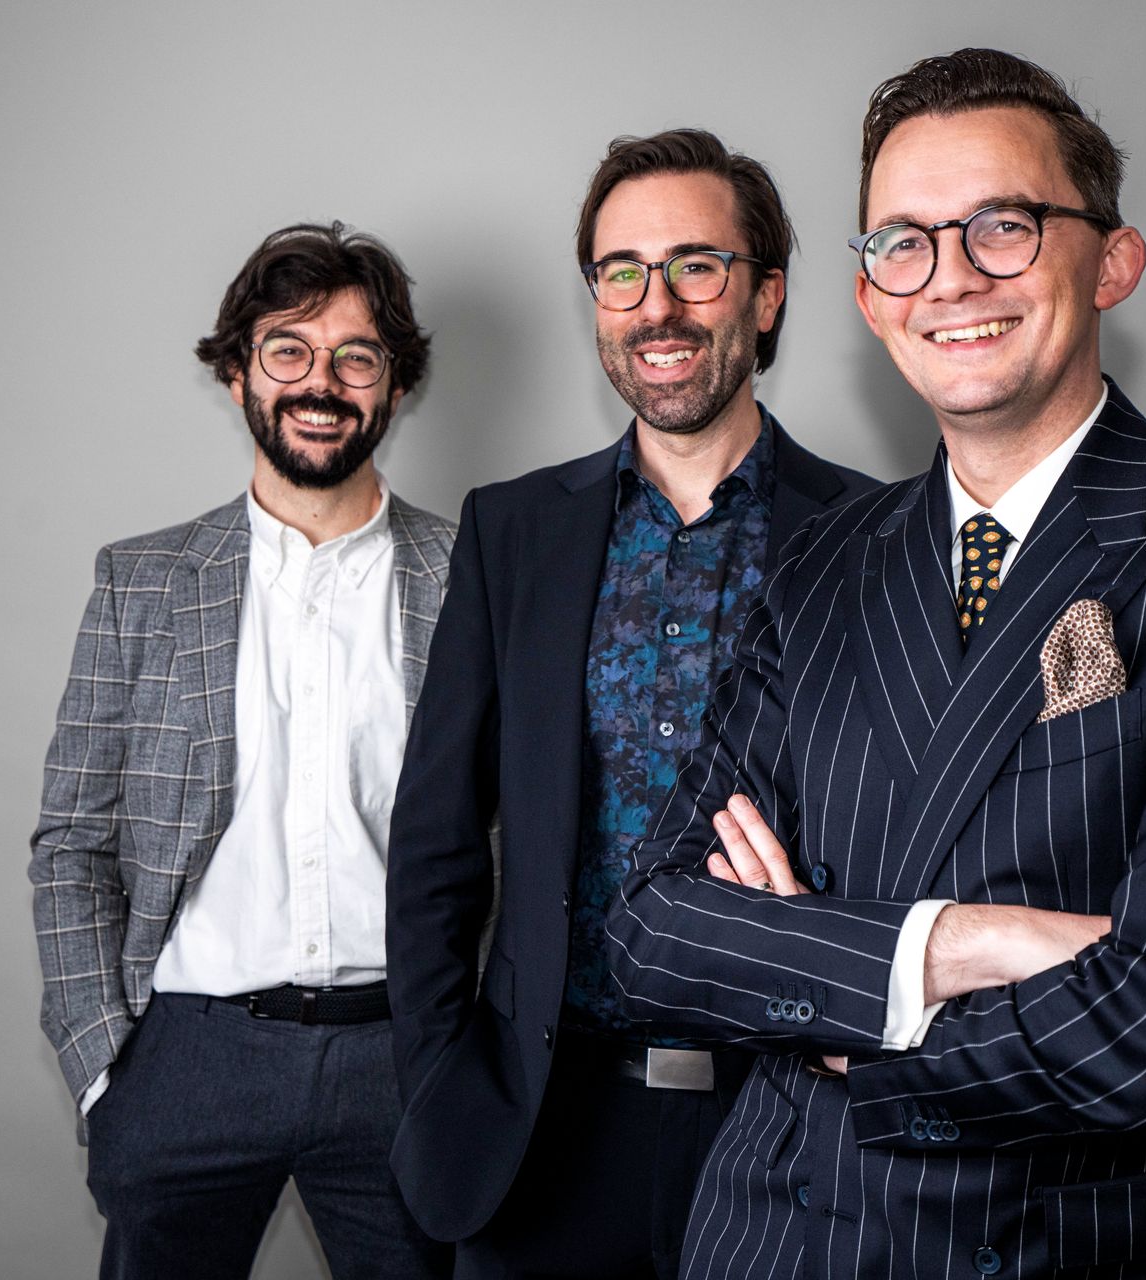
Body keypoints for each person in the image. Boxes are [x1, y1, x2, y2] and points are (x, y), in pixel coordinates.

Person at [604, 49, 1146, 1278]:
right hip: (779, 1235)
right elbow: (651, 930)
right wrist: (956, 943)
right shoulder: (820, 563)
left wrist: (834, 999)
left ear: (1112, 258)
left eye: (1002, 226)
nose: (950, 277)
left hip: (1071, 1246)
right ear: (867, 297)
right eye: (903, 242)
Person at [384, 129, 878, 1280]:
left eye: (697, 265)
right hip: (540, 1137)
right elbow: (436, 844)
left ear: (766, 297)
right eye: (623, 272)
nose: (657, 304)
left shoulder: (876, 537)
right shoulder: (513, 536)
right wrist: (442, 1078)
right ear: (598, 301)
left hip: (796, 1128)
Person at [30, 222, 453, 1279]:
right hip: (189, 1057)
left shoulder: (472, 577)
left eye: (357, 356)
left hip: (401, 1055)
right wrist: (104, 1069)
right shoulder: (142, 584)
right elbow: (72, 842)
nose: (323, 382)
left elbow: (516, 832)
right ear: (237, 375)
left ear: (396, 387)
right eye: (288, 351)